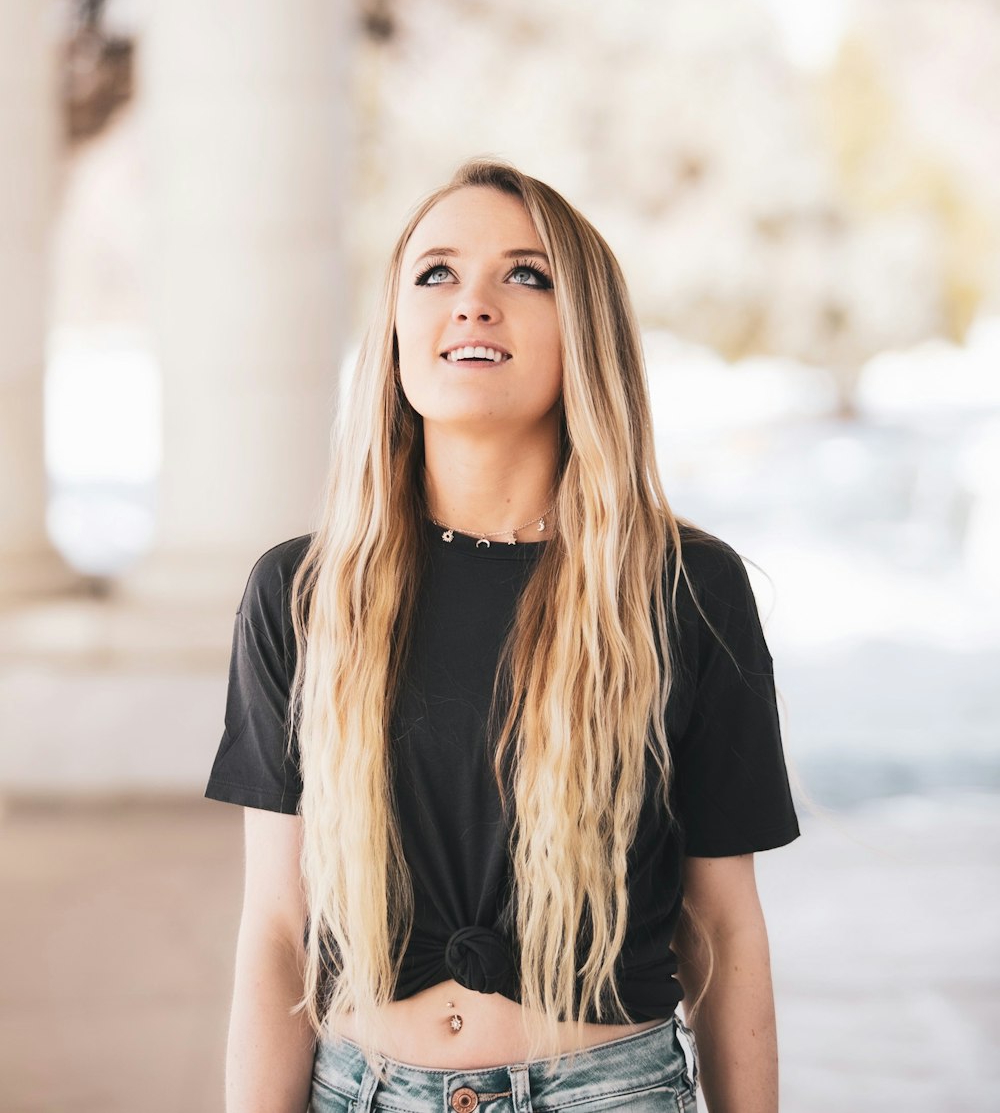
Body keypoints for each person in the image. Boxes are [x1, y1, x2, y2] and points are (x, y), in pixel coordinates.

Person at [205, 156, 801, 1113]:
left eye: (527, 275)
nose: (473, 302)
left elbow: (723, 928)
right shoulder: (302, 593)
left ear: (586, 333)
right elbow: (279, 929)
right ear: (396, 329)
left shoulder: (684, 590)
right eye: (436, 273)